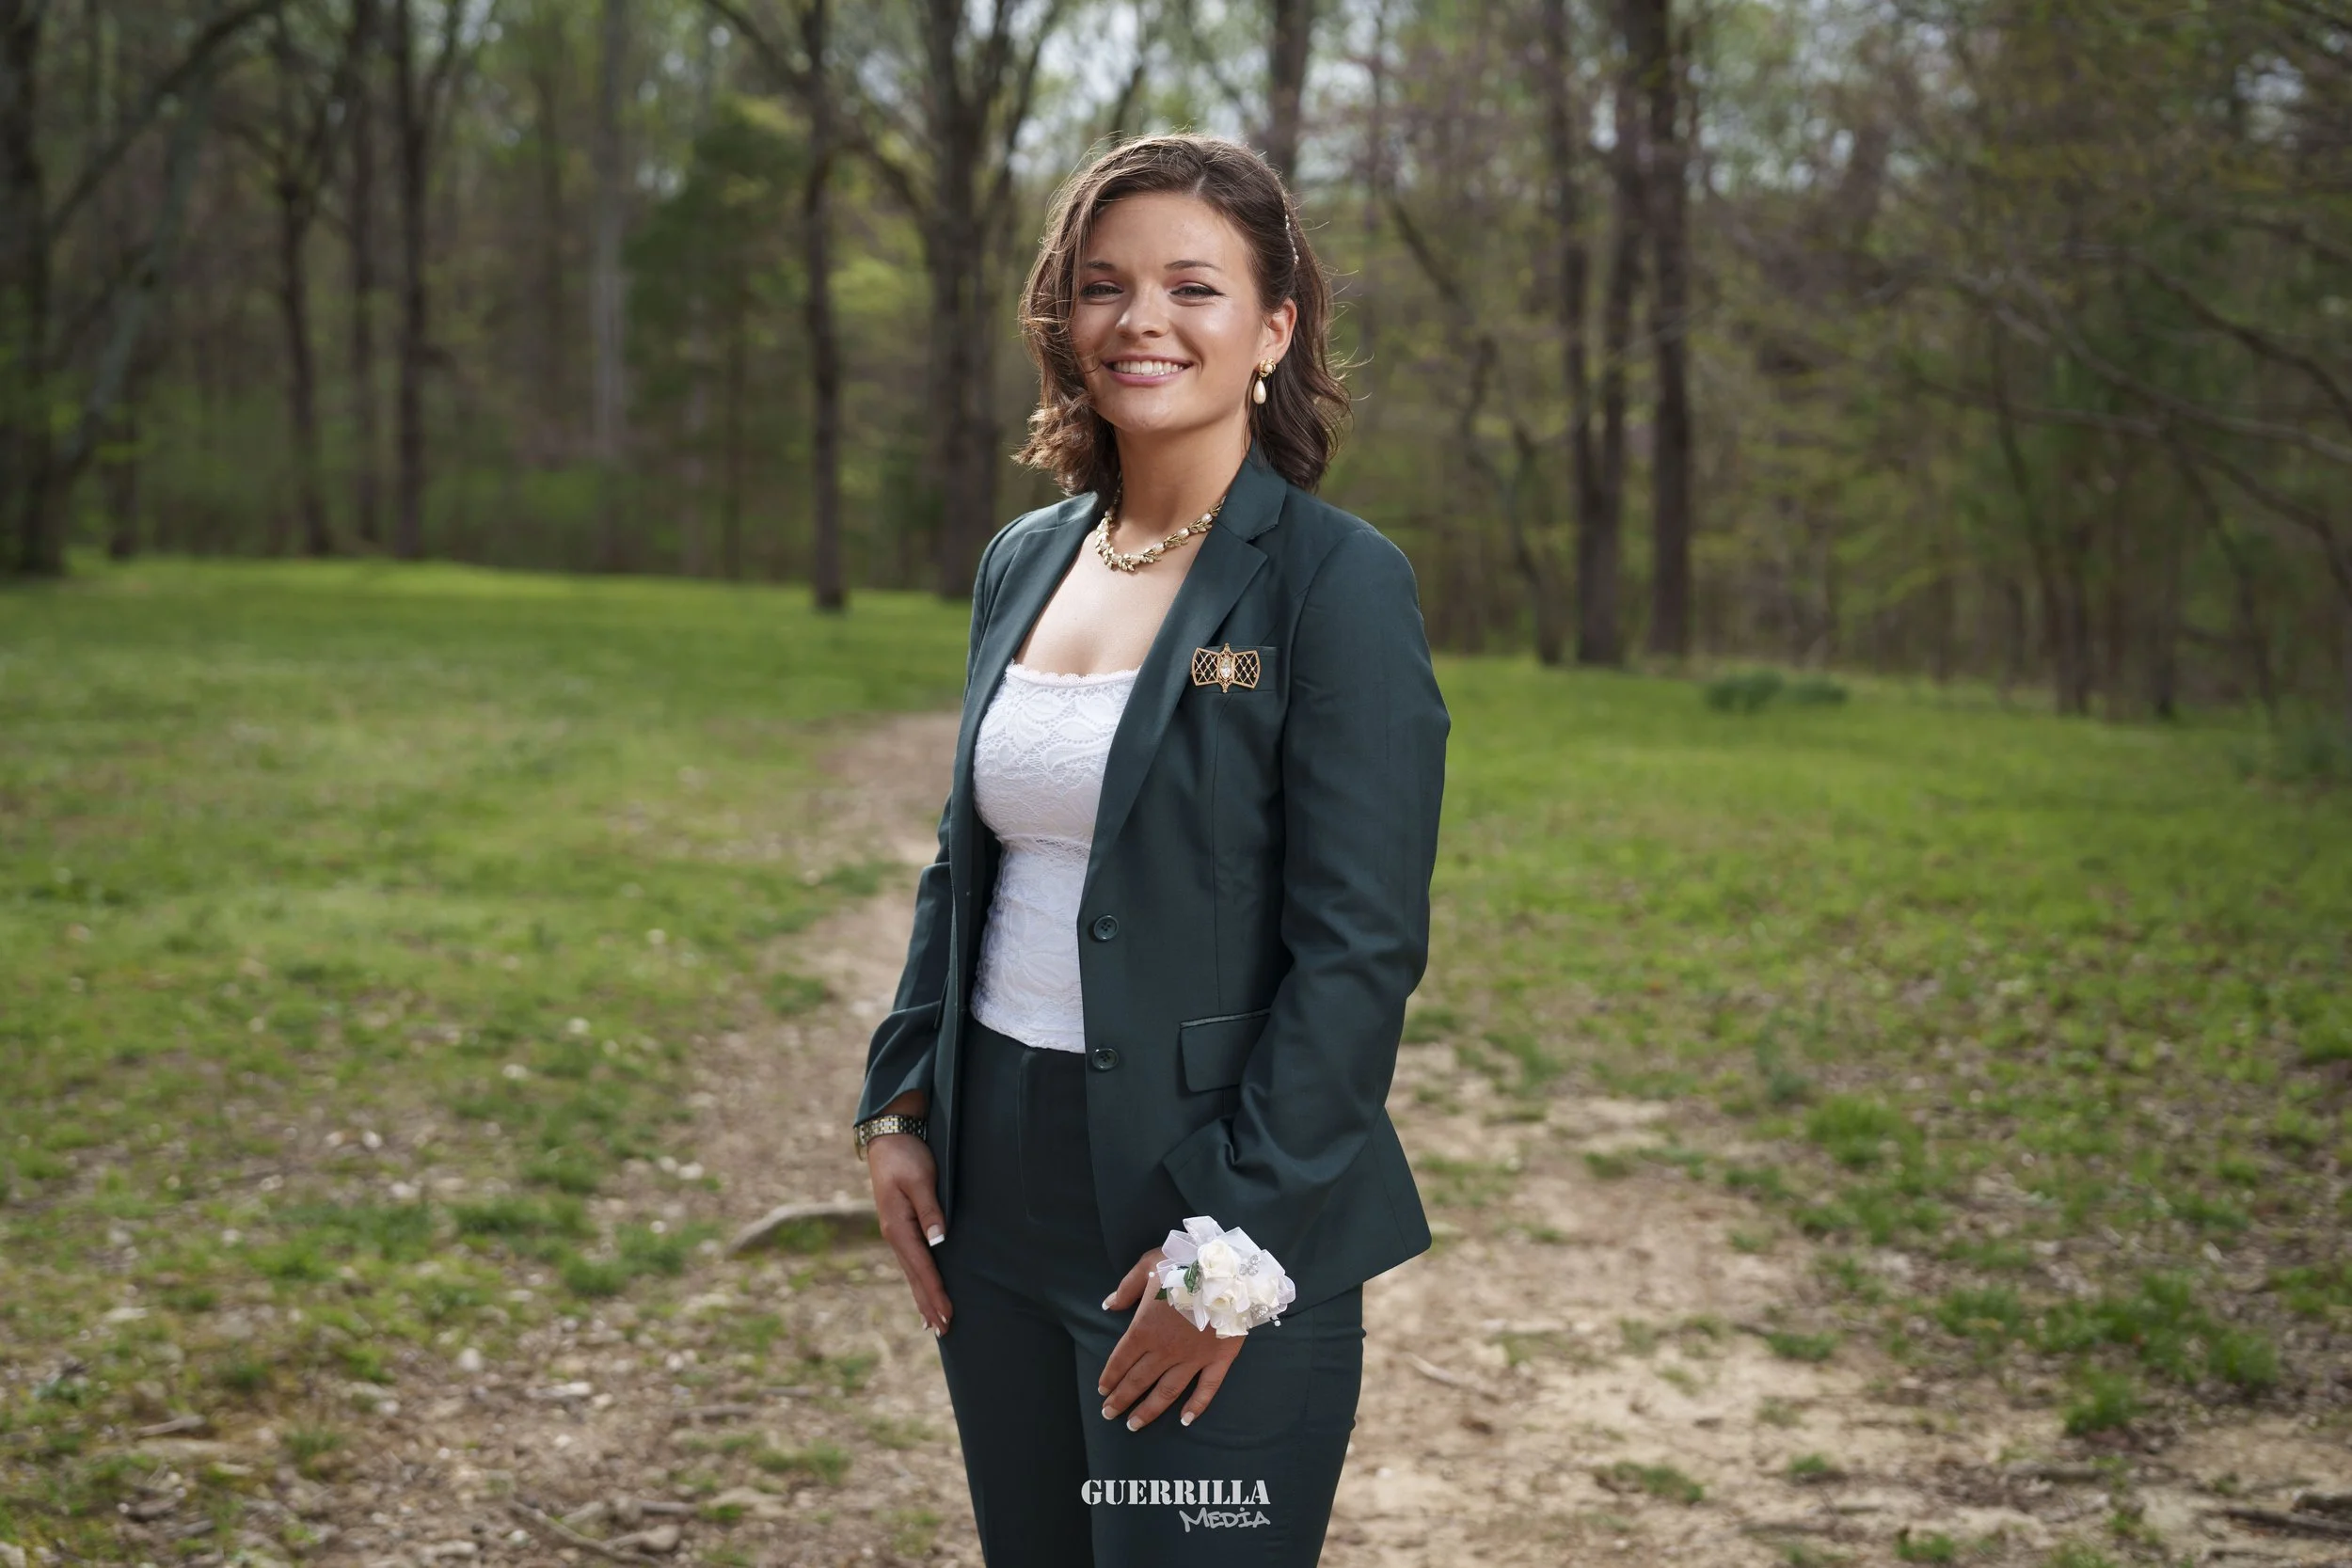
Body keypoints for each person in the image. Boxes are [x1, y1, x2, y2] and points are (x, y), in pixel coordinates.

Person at [850, 133, 1450, 1568]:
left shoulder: (1333, 582)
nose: (1145, 320)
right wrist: (899, 1101)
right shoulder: (1026, 557)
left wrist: (1226, 1253)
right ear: (1066, 319)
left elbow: (1358, 952)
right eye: (1106, 286)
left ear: (1274, 327)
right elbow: (966, 859)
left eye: (1195, 285)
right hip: (993, 1193)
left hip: (1201, 1195)